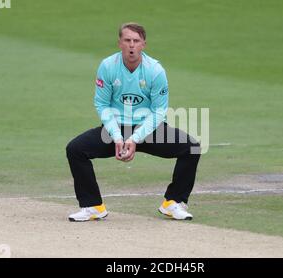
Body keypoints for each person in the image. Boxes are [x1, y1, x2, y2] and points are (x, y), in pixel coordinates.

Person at [66, 22, 201, 222]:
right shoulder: (108, 66)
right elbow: (102, 104)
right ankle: (93, 206)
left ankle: (173, 203)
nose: (131, 45)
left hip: (147, 128)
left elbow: (159, 111)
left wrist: (136, 138)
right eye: (127, 40)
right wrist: (118, 137)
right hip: (115, 129)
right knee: (75, 149)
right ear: (119, 43)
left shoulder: (155, 71)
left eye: (136, 41)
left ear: (143, 44)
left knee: (192, 147)